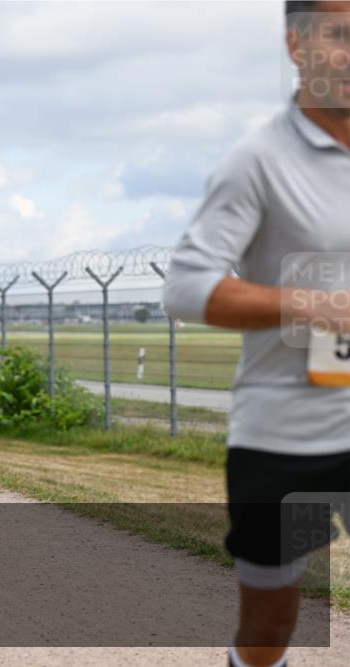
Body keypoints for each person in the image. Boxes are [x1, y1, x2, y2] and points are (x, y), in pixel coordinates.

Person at [163, 3, 350, 666]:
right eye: (340, 35)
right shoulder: (259, 160)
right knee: (271, 623)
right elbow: (186, 287)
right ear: (297, 46)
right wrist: (316, 305)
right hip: (285, 440)